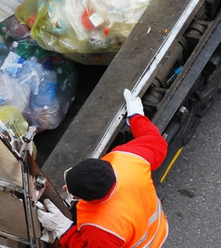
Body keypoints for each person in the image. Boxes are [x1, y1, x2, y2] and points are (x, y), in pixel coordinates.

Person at [37, 88, 169, 247]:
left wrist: (64, 230)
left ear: (91, 200)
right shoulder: (127, 158)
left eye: (70, 190)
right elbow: (157, 142)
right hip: (156, 228)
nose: (64, 187)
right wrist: (136, 116)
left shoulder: (100, 228)